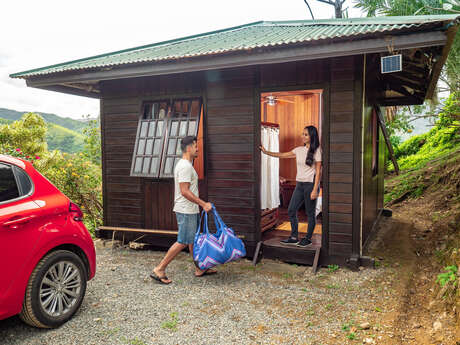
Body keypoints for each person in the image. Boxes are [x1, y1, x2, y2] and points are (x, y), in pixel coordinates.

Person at [151, 136, 215, 284]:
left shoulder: (186, 165)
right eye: (195, 146)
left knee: (192, 240)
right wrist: (203, 204)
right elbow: (184, 191)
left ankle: (200, 268)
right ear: (188, 148)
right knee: (183, 241)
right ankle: (160, 268)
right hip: (186, 210)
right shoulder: (185, 166)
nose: (197, 149)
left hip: (189, 209)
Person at [260, 125, 322, 248]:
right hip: (299, 185)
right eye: (302, 134)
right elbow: (282, 155)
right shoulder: (298, 150)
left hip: (310, 185)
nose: (302, 136)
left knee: (310, 213)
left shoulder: (317, 150)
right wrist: (266, 151)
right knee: (291, 209)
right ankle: (294, 237)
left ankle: (308, 238)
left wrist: (315, 189)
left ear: (312, 136)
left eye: (306, 134)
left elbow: (319, 172)